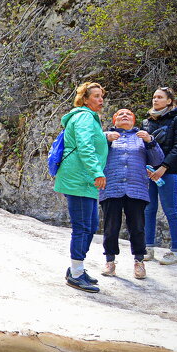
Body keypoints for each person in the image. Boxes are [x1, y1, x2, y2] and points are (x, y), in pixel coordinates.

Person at [54, 81, 109, 292]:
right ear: (85, 99)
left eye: (101, 96)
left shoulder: (87, 118)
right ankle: (76, 273)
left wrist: (104, 137)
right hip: (79, 178)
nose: (100, 100)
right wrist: (97, 172)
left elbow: (87, 141)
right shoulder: (85, 116)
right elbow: (85, 146)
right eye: (95, 96)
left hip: (83, 179)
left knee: (91, 224)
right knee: (82, 226)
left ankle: (77, 268)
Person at [101, 108, 164, 279]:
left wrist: (150, 141)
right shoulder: (105, 135)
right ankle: (110, 261)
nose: (124, 116)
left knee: (137, 227)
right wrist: (105, 140)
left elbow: (157, 160)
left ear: (134, 121)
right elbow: (95, 156)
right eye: (120, 114)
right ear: (114, 120)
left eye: (128, 114)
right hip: (111, 187)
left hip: (136, 188)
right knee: (110, 227)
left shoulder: (142, 137)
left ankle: (139, 261)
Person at [141, 87, 177, 265]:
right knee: (149, 209)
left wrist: (164, 167)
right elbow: (141, 147)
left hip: (167, 173)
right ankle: (148, 247)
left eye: (160, 97)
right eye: (154, 97)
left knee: (171, 210)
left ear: (169, 101)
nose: (155, 100)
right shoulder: (147, 122)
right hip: (149, 172)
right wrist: (145, 168)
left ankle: (176, 252)